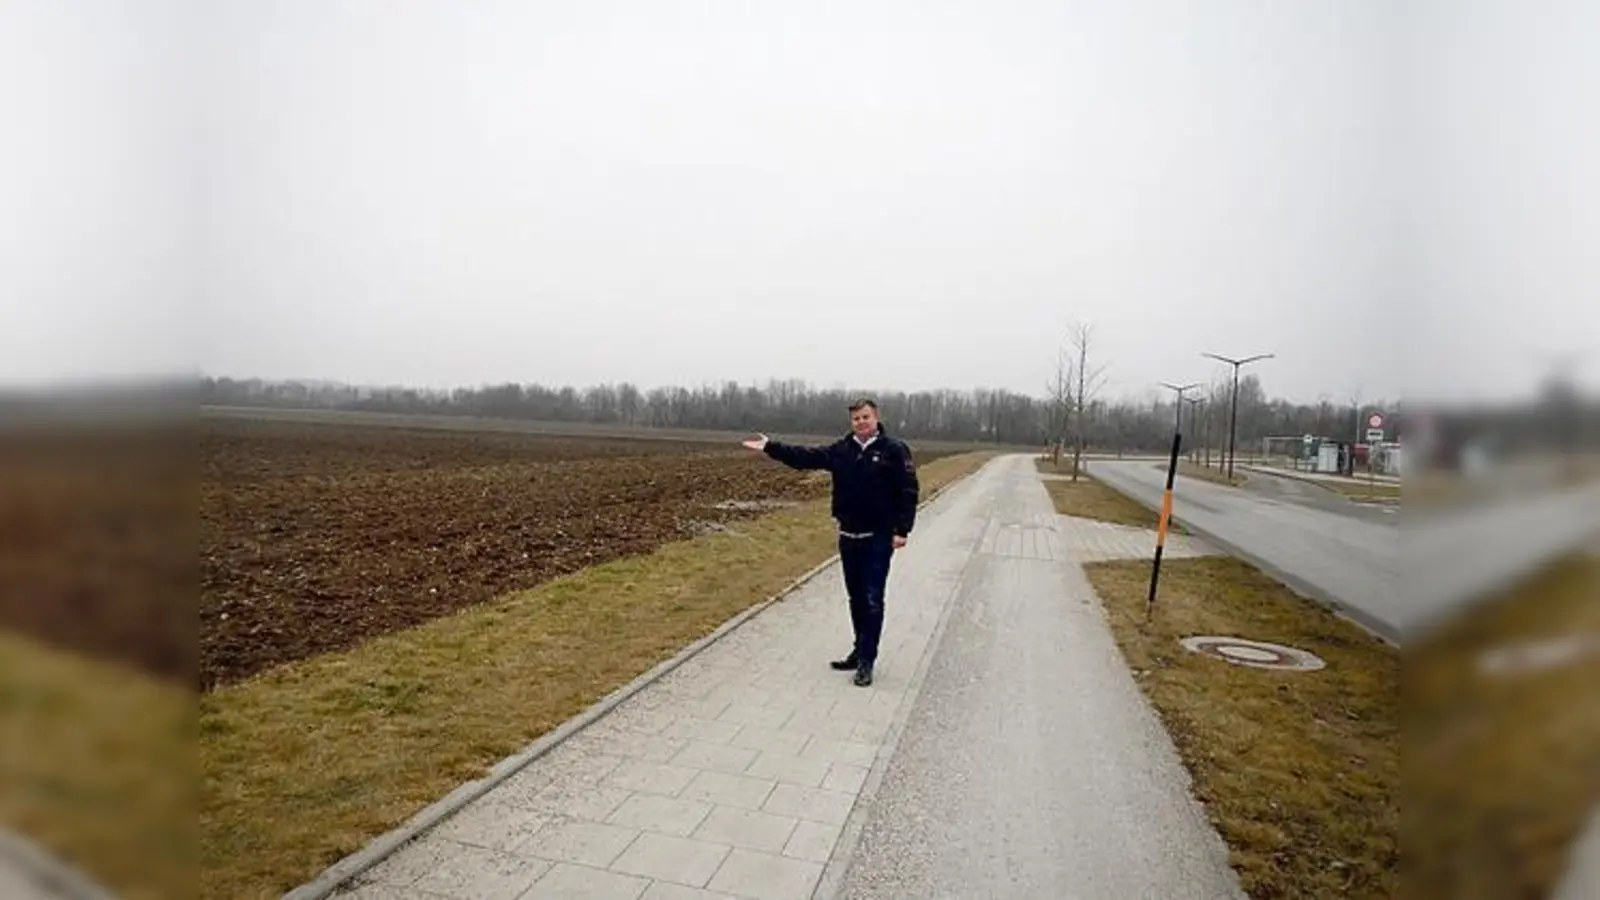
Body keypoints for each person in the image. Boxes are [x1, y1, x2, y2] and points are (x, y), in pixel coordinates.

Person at [742, 398, 919, 687]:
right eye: (856, 419)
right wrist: (770, 447)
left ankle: (866, 661)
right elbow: (805, 458)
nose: (861, 422)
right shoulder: (842, 450)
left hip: (878, 538)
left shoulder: (894, 450)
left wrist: (902, 530)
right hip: (849, 536)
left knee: (873, 599)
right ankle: (858, 649)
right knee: (856, 598)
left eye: (865, 417)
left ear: (876, 418)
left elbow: (908, 490)